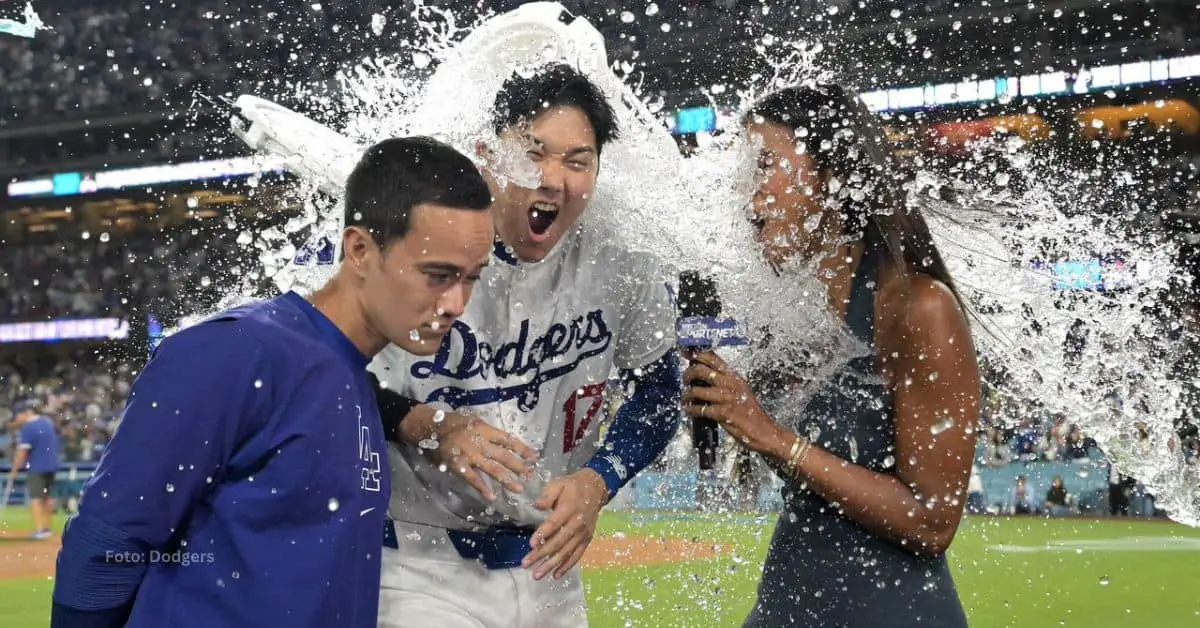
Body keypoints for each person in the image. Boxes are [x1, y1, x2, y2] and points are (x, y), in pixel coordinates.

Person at [50, 136, 495, 628]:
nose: (457, 302)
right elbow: (106, 546)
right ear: (361, 250)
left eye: (473, 277)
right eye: (438, 274)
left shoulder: (348, 379)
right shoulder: (236, 352)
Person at [372, 63, 681, 628]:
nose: (554, 180)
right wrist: (418, 421)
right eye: (533, 153)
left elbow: (662, 390)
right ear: (487, 154)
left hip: (549, 568)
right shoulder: (414, 233)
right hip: (415, 564)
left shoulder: (623, 258)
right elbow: (309, 363)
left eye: (577, 161)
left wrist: (599, 480)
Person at [679, 84, 981, 627]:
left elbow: (933, 522)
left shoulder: (918, 308)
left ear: (831, 173)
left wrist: (770, 435)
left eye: (765, 163)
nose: (746, 191)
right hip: (788, 600)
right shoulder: (790, 314)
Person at [6, 398, 61, 540]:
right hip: (52, 465)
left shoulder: (28, 427)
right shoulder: (47, 422)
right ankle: (48, 528)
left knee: (36, 499)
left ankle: (40, 530)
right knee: (47, 497)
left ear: (25, 413)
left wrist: (14, 471)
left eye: (18, 415)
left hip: (37, 467)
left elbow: (22, 453)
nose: (17, 419)